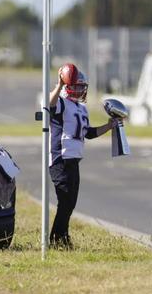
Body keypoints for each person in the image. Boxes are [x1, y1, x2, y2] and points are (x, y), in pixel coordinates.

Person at [48, 65, 117, 248]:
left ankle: (62, 237)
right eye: (76, 86)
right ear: (68, 85)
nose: (80, 90)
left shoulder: (82, 109)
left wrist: (109, 126)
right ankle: (56, 240)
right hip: (60, 158)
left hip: (74, 159)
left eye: (82, 87)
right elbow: (50, 104)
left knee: (71, 202)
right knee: (64, 201)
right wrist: (59, 83)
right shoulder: (61, 102)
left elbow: (89, 133)